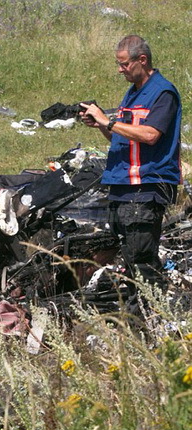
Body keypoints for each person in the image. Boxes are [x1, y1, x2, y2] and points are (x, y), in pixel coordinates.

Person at [81, 35, 182, 318]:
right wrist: (100, 125)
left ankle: (157, 321)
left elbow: (150, 135)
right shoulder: (133, 92)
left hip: (146, 187)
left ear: (142, 60)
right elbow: (122, 136)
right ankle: (139, 317)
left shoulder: (163, 93)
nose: (120, 69)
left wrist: (109, 120)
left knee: (141, 260)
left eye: (124, 64)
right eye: (118, 64)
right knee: (128, 259)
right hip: (121, 185)